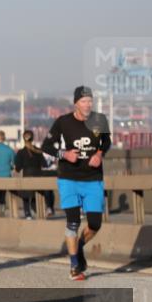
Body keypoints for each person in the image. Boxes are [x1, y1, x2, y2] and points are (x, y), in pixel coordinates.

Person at [41, 86, 111, 280]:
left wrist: (99, 153)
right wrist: (64, 154)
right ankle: (74, 266)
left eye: (90, 101)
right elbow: (45, 146)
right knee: (73, 221)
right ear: (76, 104)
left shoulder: (99, 120)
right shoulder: (63, 122)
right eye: (84, 101)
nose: (88, 104)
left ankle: (78, 246)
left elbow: (106, 142)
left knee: (95, 224)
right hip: (68, 178)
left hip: (93, 178)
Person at [14, 129, 48, 219]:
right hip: (38, 175)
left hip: (27, 176)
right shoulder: (38, 151)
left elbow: (18, 168)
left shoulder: (21, 152)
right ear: (33, 138)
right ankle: (39, 213)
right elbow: (45, 164)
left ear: (24, 139)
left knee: (26, 196)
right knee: (35, 195)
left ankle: (27, 214)